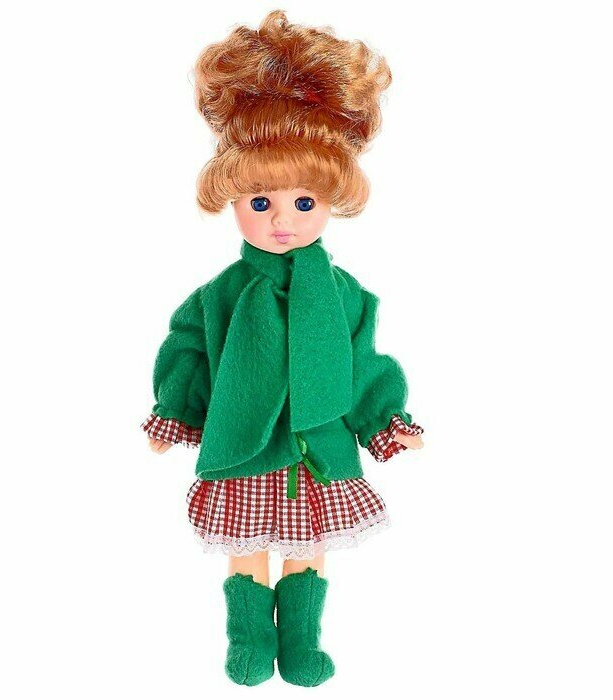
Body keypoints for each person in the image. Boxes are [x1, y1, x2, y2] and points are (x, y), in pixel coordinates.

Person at [141, 10, 424, 687]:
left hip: (317, 449)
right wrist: (176, 411)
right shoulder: (221, 295)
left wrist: (386, 421)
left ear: (329, 201)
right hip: (244, 443)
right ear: (233, 199)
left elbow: (364, 365)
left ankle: (301, 639)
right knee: (246, 552)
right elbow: (190, 350)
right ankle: (247, 636)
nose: (281, 220)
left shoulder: (346, 295)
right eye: (260, 202)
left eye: (303, 203)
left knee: (308, 549)